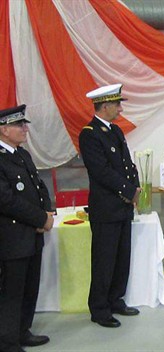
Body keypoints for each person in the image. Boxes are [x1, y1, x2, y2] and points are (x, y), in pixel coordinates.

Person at [79, 84, 141, 328]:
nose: (120, 108)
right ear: (105, 106)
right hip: (106, 208)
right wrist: (127, 191)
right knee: (104, 260)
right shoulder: (90, 134)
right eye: (117, 104)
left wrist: (134, 189)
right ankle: (99, 308)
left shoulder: (115, 130)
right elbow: (100, 171)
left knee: (121, 258)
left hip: (123, 206)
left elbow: (127, 165)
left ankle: (116, 299)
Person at [0, 104, 54, 352]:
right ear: (3, 129)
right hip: (12, 237)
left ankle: (23, 331)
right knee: (12, 291)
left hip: (32, 235)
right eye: (18, 125)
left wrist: (47, 211)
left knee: (30, 288)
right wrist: (39, 219)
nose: (24, 129)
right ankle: (7, 341)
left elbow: (39, 187)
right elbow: (6, 199)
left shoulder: (23, 155)